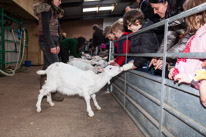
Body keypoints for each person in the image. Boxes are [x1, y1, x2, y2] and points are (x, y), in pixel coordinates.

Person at [168, 0, 206, 107]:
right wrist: (176, 70)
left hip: (198, 85)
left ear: (194, 16)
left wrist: (191, 77)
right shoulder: (194, 37)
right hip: (192, 84)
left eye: (187, 15)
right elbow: (185, 60)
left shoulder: (204, 35)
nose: (185, 19)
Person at [33, 0, 64, 101]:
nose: (60, 2)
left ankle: (44, 91)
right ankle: (53, 93)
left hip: (52, 41)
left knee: (47, 67)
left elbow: (57, 30)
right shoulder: (46, 9)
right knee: (56, 67)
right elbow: (46, 28)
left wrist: (57, 44)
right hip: (47, 41)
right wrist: (51, 45)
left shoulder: (54, 11)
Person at [148, 0, 190, 72]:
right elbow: (169, 37)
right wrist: (158, 56)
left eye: (156, 8)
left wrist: (166, 57)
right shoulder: (170, 15)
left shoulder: (186, 9)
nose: (154, 12)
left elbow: (190, 37)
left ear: (166, 2)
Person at [123, 9, 159, 74]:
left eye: (129, 25)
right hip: (140, 64)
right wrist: (133, 60)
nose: (128, 28)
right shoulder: (138, 32)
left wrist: (135, 63)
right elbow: (137, 50)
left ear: (137, 21)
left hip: (145, 66)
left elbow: (146, 52)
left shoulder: (147, 32)